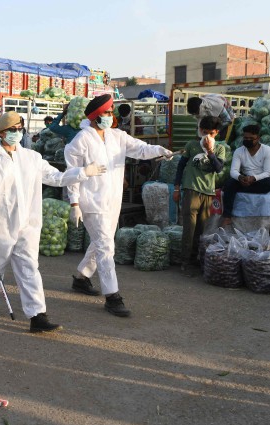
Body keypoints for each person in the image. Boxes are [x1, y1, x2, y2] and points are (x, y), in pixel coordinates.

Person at [0, 111, 106, 332]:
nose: (17, 133)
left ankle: (37, 315)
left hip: (28, 224)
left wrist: (83, 172)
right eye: (13, 130)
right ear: (2, 132)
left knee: (29, 269)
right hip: (0, 226)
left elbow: (56, 177)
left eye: (20, 129)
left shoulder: (31, 158)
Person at [65, 94, 173, 317]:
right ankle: (112, 296)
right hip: (91, 202)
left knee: (101, 242)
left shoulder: (117, 136)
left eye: (110, 112)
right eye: (107, 112)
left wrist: (160, 151)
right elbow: (72, 174)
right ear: (96, 116)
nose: (110, 116)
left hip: (113, 201)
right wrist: (74, 201)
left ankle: (81, 277)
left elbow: (141, 149)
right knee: (106, 246)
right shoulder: (81, 140)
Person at [173, 116, 226, 271]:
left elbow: (219, 168)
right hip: (191, 190)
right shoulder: (192, 145)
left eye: (211, 133)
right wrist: (177, 188)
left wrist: (210, 151)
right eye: (204, 132)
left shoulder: (220, 148)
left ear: (216, 133)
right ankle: (185, 262)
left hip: (208, 192)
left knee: (200, 229)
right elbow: (180, 167)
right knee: (189, 228)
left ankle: (195, 258)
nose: (207, 136)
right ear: (200, 130)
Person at [221, 124, 270, 226]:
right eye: (245, 138)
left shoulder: (266, 150)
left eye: (251, 138)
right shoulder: (239, 151)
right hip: (243, 179)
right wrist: (240, 177)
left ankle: (242, 188)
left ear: (258, 138)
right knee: (229, 184)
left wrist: (254, 178)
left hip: (260, 180)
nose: (247, 140)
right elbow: (233, 171)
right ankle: (227, 216)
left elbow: (267, 172)